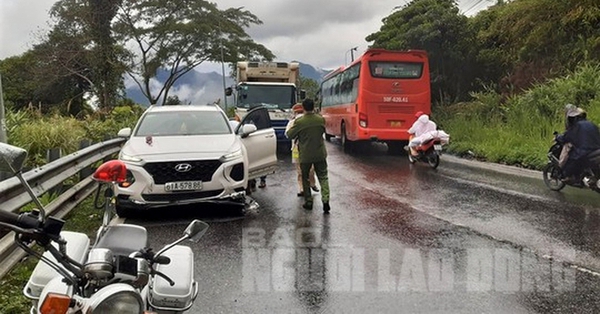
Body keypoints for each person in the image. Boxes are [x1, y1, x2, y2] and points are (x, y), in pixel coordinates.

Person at [285, 98, 330, 213]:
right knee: (323, 177)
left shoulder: (300, 122)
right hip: (320, 153)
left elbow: (289, 135)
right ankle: (325, 200)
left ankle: (308, 201)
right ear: (313, 106)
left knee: (305, 177)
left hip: (305, 155)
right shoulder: (320, 120)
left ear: (304, 108)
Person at [557, 105, 600, 184]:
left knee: (572, 159)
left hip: (585, 151)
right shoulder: (592, 124)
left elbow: (567, 137)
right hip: (597, 150)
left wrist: (558, 137)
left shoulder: (576, 126)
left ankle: (571, 177)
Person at [286, 103, 319, 197]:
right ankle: (309, 185)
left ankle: (303, 188)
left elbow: (287, 134)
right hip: (306, 148)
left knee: (299, 169)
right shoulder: (308, 120)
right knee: (311, 167)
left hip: (296, 149)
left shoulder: (292, 122)